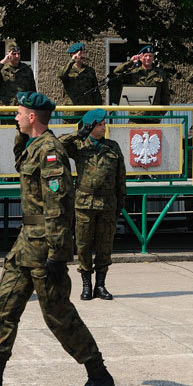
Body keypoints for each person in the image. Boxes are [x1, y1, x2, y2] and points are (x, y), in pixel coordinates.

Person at [0, 92, 115, 386]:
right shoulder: (33, 147)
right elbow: (18, 158)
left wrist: (58, 252)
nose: (15, 117)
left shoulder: (50, 151)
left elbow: (58, 205)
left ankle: (99, 376)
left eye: (19, 113)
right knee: (1, 307)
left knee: (58, 314)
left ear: (33, 117)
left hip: (44, 245)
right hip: (27, 242)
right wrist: (19, 130)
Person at [59, 109, 126, 301]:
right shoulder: (79, 145)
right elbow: (58, 143)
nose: (104, 127)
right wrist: (78, 133)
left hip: (107, 204)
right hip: (85, 203)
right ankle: (86, 285)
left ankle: (101, 285)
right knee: (83, 245)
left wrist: (120, 202)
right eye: (99, 125)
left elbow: (121, 177)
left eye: (104, 124)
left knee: (105, 246)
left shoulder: (113, 147)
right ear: (90, 127)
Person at [112, 45, 171, 123]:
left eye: (150, 56)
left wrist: (162, 113)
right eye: (145, 56)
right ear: (141, 58)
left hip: (153, 116)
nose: (148, 58)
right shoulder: (134, 72)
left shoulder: (160, 73)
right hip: (136, 116)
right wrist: (131, 61)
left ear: (153, 58)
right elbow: (116, 72)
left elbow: (165, 95)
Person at [0, 42, 37, 116]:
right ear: (8, 55)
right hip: (6, 110)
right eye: (14, 54)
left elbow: (33, 90)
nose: (17, 56)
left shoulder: (26, 69)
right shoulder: (2, 69)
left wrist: (33, 107)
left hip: (23, 110)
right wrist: (3, 61)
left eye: (18, 54)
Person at [57, 43, 103, 123]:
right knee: (70, 134)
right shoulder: (67, 70)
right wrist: (72, 60)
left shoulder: (89, 71)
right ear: (72, 54)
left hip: (87, 110)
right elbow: (61, 75)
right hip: (71, 112)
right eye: (79, 53)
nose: (82, 56)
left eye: (83, 53)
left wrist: (98, 109)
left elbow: (96, 91)